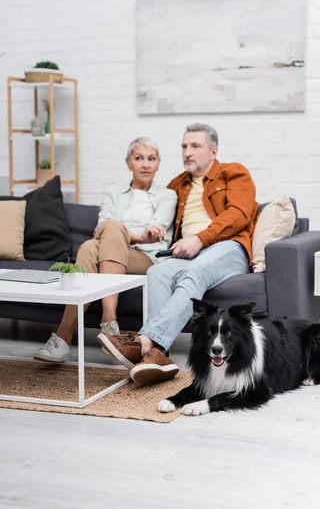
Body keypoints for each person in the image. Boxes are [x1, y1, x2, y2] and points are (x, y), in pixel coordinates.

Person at [98, 123, 259, 386]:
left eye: (195, 146)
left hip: (228, 247)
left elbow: (240, 214)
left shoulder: (234, 173)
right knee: (157, 272)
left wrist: (199, 239)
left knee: (194, 271)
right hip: (189, 252)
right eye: (184, 146)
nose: (187, 152)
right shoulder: (178, 184)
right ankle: (158, 358)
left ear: (213, 151)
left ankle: (147, 343)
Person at [33, 137, 177, 363]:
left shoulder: (168, 195)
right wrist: (137, 234)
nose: (145, 164)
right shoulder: (113, 191)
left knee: (98, 241)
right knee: (92, 246)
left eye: (151, 159)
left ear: (158, 163)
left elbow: (156, 227)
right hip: (113, 249)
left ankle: (65, 337)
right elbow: (102, 227)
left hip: (145, 257)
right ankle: (108, 324)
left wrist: (134, 235)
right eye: (138, 158)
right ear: (128, 163)